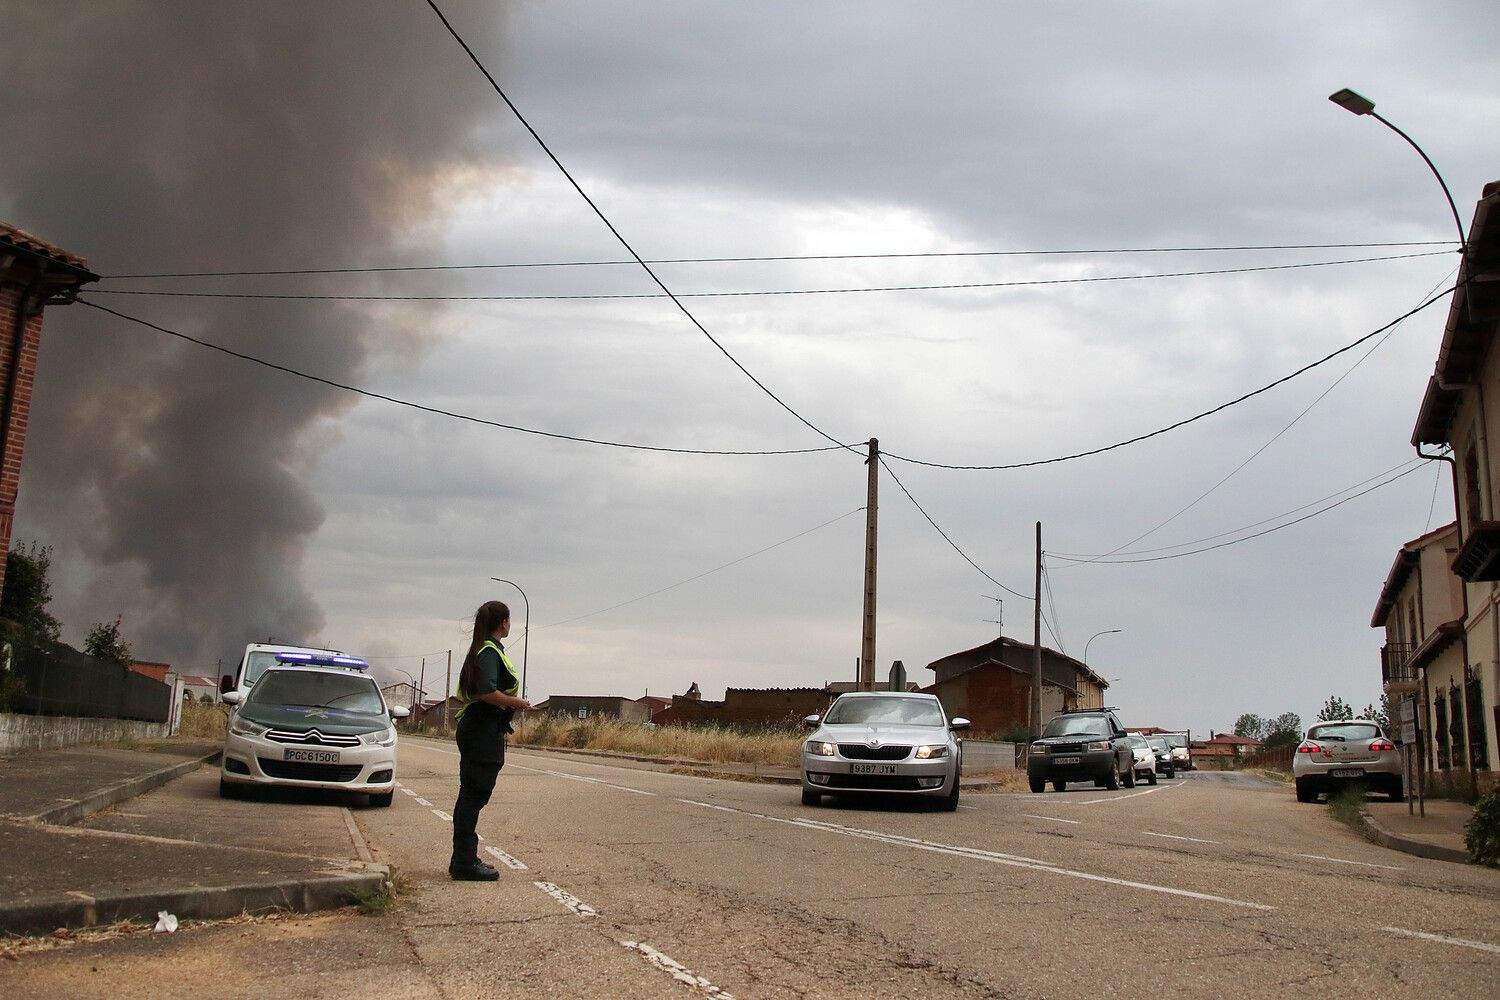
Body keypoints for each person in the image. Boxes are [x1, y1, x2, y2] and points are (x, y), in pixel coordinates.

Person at [450, 600, 531, 880]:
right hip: (481, 728)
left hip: (484, 728)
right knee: (473, 795)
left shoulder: (486, 649)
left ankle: (463, 859)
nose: (511, 624)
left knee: (473, 795)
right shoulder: (488, 651)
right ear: (503, 623)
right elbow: (486, 692)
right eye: (509, 620)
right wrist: (516, 702)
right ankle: (464, 862)